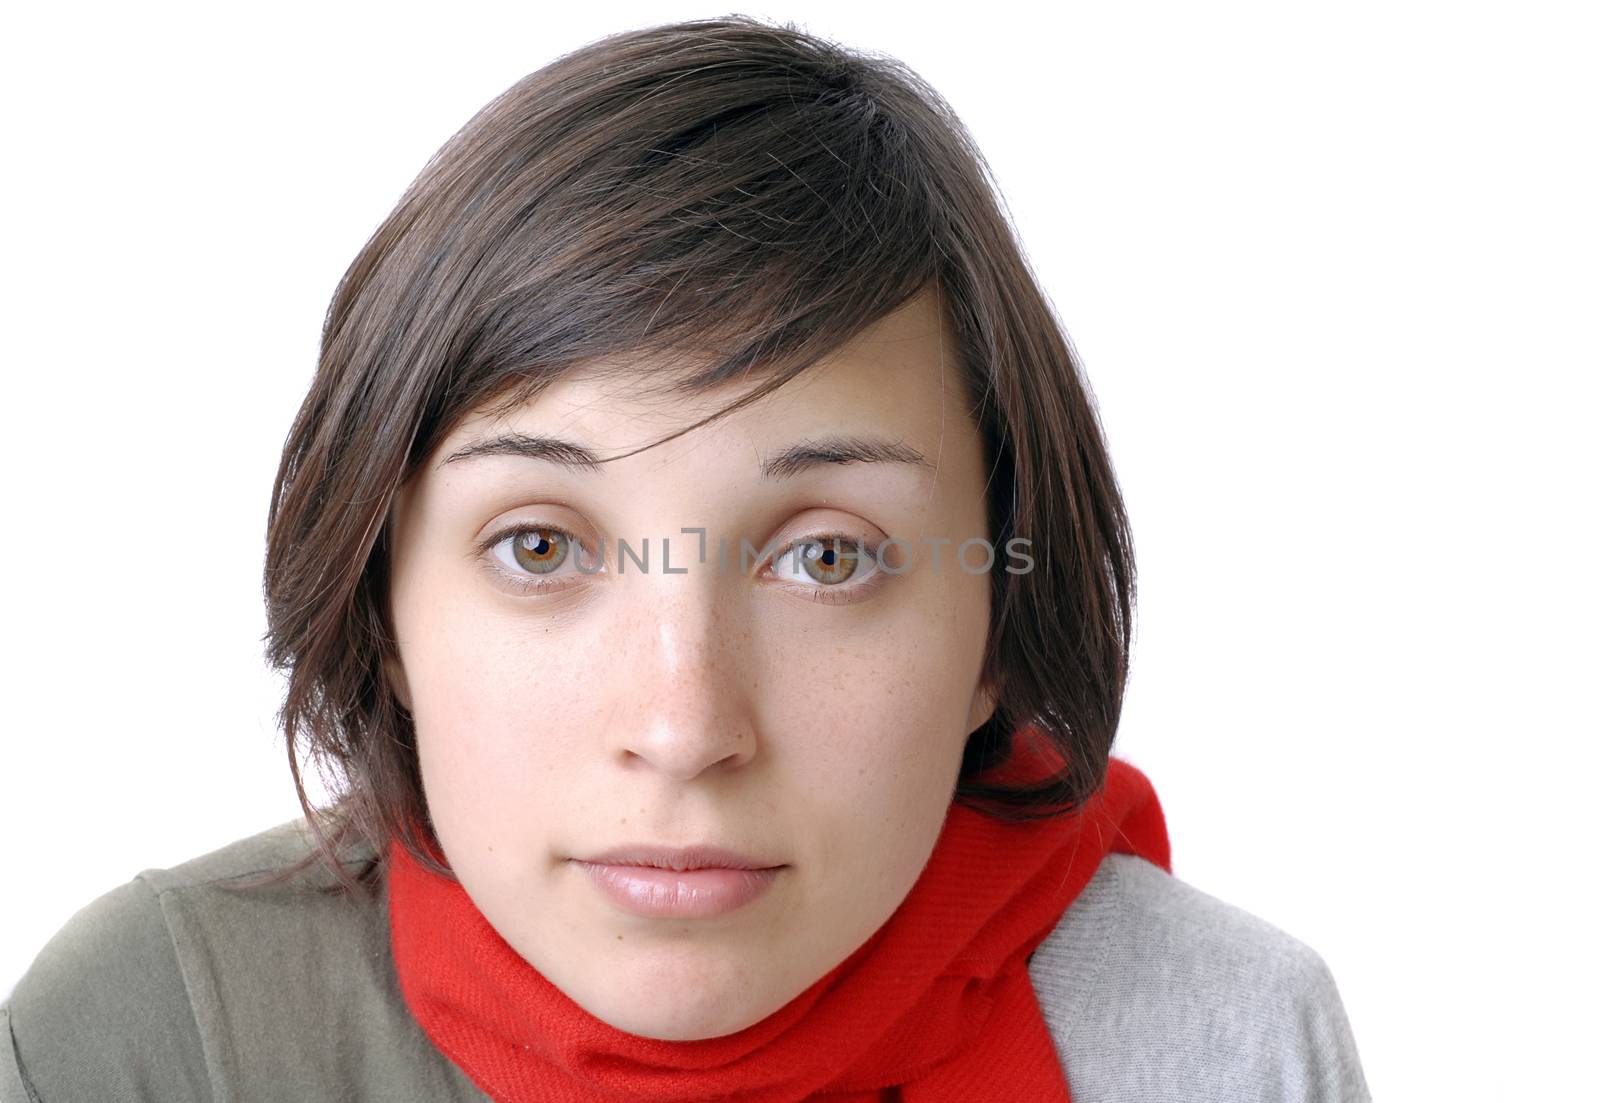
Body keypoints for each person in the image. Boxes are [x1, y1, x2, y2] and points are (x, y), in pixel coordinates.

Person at [0, 15, 1370, 1102]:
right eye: (539, 545)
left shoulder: (1217, 1042)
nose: (683, 726)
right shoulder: (150, 1040)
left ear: (996, 628)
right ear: (386, 608)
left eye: (828, 560)